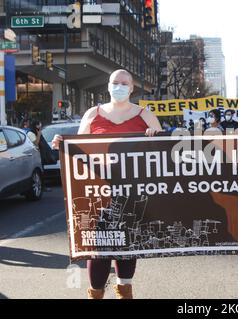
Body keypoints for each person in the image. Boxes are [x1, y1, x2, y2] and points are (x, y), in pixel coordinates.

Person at [52, 69, 162, 299]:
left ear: (132, 88)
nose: (119, 86)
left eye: (124, 83)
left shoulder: (145, 115)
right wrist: (62, 143)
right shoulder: (93, 114)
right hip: (99, 193)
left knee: (127, 245)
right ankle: (96, 294)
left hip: (133, 194)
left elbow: (162, 154)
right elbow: (79, 148)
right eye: (115, 82)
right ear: (108, 85)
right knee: (99, 250)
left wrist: (155, 137)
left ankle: (124, 291)